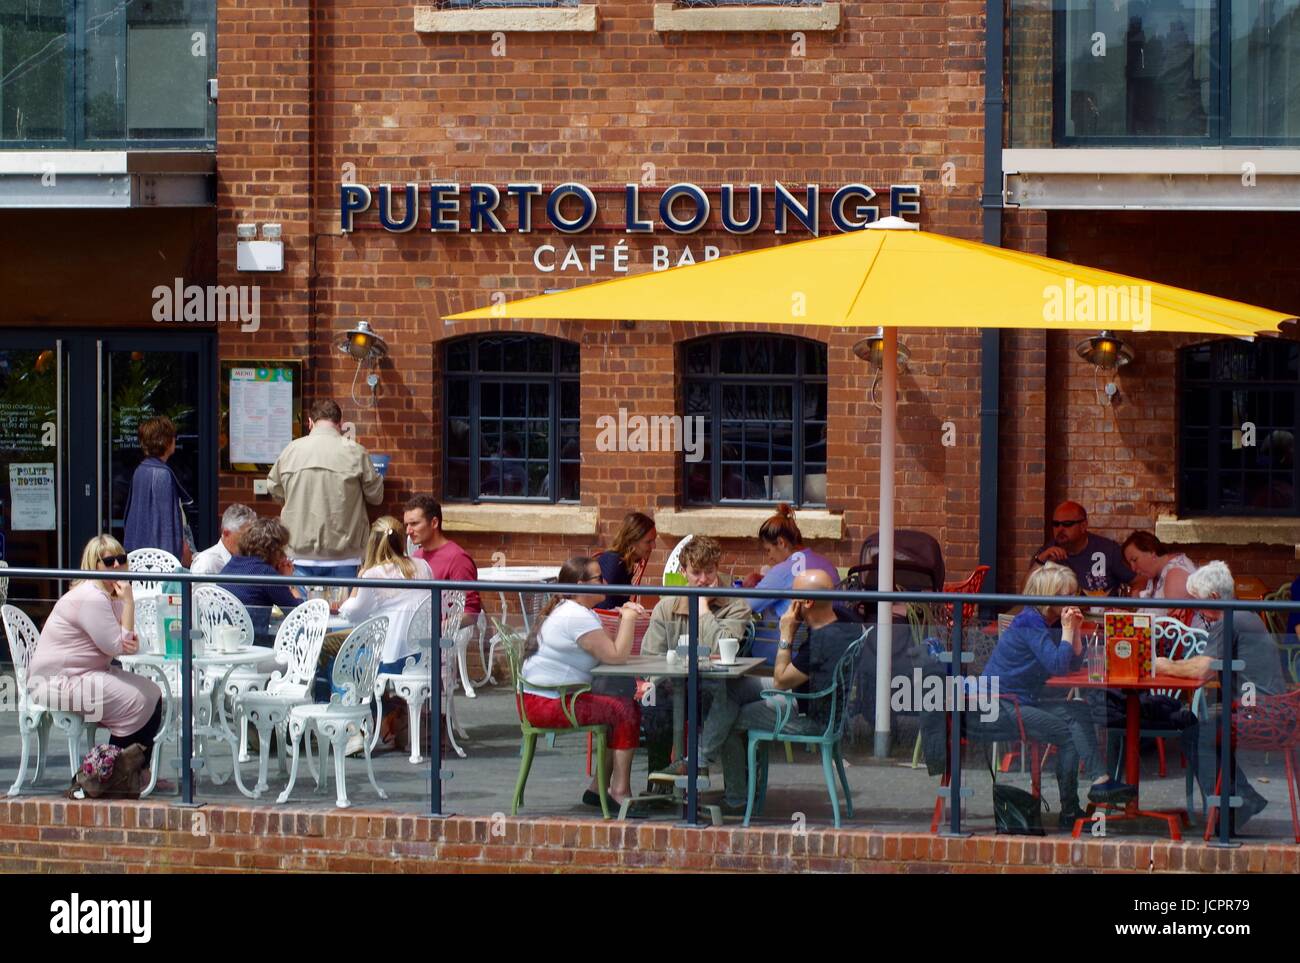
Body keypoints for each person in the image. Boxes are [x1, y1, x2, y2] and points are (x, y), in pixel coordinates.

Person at [670, 569, 861, 815]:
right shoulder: (844, 619)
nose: (789, 602)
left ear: (807, 602)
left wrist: (786, 634)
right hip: (813, 695)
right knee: (733, 686)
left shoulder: (822, 642)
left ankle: (730, 792)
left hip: (809, 714)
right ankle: (700, 762)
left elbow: (781, 681)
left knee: (729, 717)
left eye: (793, 596)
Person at [977, 562, 1137, 827]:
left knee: (1078, 709)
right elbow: (1057, 665)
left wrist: (1073, 632)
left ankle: (1098, 783)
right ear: (1047, 595)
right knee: (1067, 732)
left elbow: (1070, 664)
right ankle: (1073, 809)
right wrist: (1067, 631)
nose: (1072, 601)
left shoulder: (1045, 621)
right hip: (1000, 705)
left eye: (1073, 594)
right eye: (1066, 595)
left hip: (1021, 701)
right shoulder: (1030, 621)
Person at [1162, 561, 1287, 831]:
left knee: (1197, 732)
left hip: (1262, 714)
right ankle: (1241, 800)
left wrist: (1160, 665)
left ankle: (1233, 808)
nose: (1198, 612)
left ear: (1215, 598)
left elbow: (1201, 671)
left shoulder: (1230, 618)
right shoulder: (1244, 614)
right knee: (1196, 725)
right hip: (1274, 709)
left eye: (1199, 604)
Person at [27, 535, 163, 772]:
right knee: (135, 700)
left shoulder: (110, 594)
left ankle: (139, 772)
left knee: (152, 693)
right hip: (57, 681)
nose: (117, 566)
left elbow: (127, 643)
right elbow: (117, 646)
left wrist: (125, 637)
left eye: (121, 559)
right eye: (109, 562)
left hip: (86, 672)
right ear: (94, 565)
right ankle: (113, 775)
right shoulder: (92, 596)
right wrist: (129, 604)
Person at [520, 556, 646, 807]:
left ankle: (598, 788)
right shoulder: (575, 616)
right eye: (599, 578)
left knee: (616, 699)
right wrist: (630, 617)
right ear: (580, 585)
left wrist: (621, 619)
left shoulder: (575, 611)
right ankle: (619, 791)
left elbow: (606, 649)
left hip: (544, 698)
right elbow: (617, 656)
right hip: (548, 704)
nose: (606, 582)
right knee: (623, 710)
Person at [639, 536, 751, 776]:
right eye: (696, 573)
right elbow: (649, 657)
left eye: (709, 572)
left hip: (717, 687)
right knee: (655, 705)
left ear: (718, 568)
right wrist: (659, 680)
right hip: (674, 685)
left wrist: (702, 609)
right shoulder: (666, 607)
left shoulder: (736, 605)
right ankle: (659, 784)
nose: (703, 580)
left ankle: (703, 776)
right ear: (683, 572)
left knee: (725, 702)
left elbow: (721, 649)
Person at [338, 516, 434, 751]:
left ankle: (355, 729)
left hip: (390, 657)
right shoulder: (423, 566)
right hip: (422, 654)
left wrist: (355, 588)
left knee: (344, 663)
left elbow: (353, 614)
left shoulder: (373, 574)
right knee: (358, 660)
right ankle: (391, 716)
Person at [266, 399, 383, 582]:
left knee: (302, 610)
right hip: (345, 555)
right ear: (340, 424)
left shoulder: (291, 451)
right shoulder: (356, 452)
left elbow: (274, 489)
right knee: (343, 611)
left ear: (310, 422)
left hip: (298, 554)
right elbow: (376, 497)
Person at [743, 504, 839, 618]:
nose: (769, 557)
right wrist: (764, 579)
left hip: (793, 634)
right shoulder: (826, 564)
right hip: (834, 630)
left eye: (768, 550)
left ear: (781, 543)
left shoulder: (782, 571)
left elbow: (746, 606)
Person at [122, 415, 195, 565]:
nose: (175, 440)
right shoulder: (162, 474)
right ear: (165, 441)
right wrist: (173, 560)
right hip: (160, 562)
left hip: (142, 557)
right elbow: (166, 525)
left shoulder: (141, 470)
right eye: (173, 437)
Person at [403, 494, 480, 630]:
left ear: (434, 523)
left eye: (414, 524)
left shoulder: (458, 558)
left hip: (439, 644)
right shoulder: (416, 556)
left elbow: (471, 612)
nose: (408, 531)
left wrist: (435, 629)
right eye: (407, 525)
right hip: (413, 638)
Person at [219, 516, 301, 637]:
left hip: (225, 639)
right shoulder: (265, 574)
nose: (284, 555)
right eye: (282, 549)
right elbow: (299, 613)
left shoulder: (231, 565)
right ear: (274, 550)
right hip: (254, 642)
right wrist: (289, 582)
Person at [1031, 501, 1135, 596]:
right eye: (1056, 524)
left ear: (1083, 526)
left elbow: (1138, 580)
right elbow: (1027, 593)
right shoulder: (1048, 553)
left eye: (1067, 524)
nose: (1060, 529)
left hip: (1100, 614)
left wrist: (1129, 604)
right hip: (1062, 615)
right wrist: (1040, 560)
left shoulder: (1108, 549)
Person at [1121, 530, 1196, 618]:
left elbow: (1174, 627)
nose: (1133, 568)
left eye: (1134, 560)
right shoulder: (1155, 574)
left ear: (1152, 552)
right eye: (1130, 564)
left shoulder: (1175, 575)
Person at [593, 512, 655, 609]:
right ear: (631, 541)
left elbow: (619, 601)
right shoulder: (614, 564)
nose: (654, 546)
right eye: (648, 542)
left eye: (654, 540)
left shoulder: (625, 562)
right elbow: (603, 607)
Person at [190, 504, 258, 577]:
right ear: (226, 533)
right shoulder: (206, 562)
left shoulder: (252, 560)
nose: (250, 542)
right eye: (245, 537)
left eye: (253, 536)